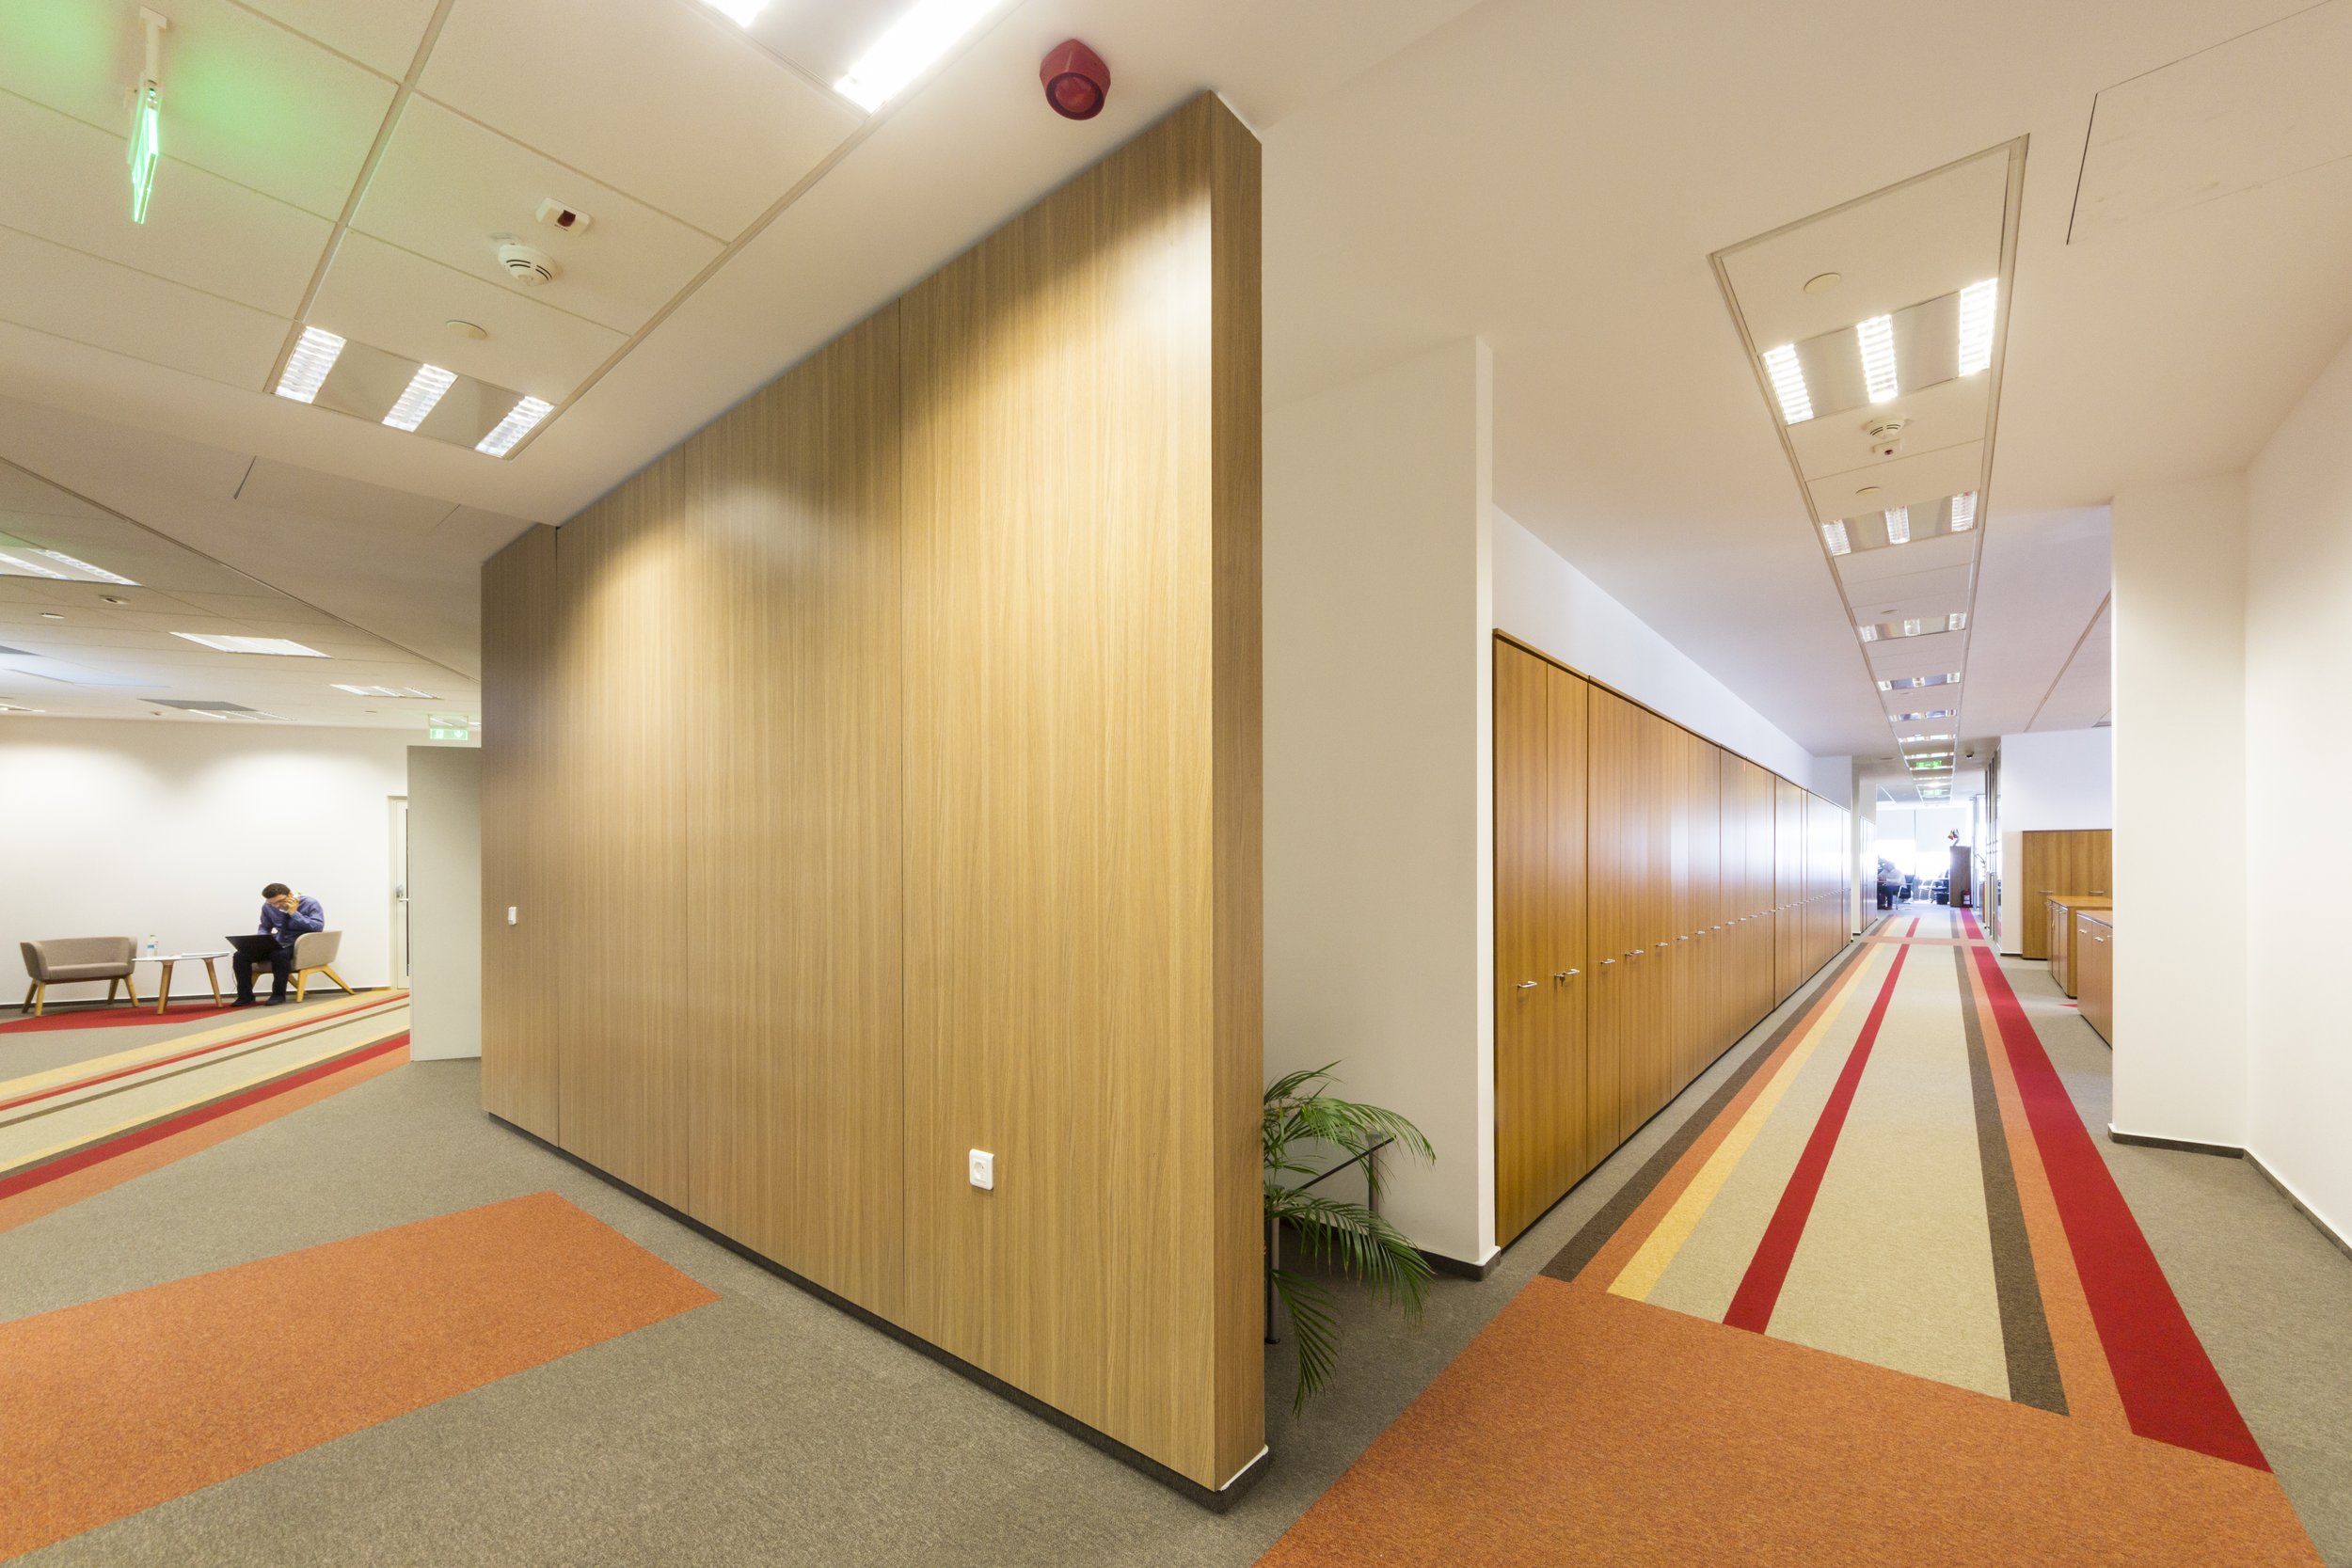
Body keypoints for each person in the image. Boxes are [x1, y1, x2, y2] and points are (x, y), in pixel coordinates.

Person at [236, 881, 325, 1006]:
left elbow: (317, 927)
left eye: (280, 901)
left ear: (290, 894)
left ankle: (278, 994)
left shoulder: (310, 903)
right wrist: (261, 940)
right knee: (240, 955)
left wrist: (294, 913)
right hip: (278, 942)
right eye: (272, 903)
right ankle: (245, 996)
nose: (276, 906)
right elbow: (264, 926)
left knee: (279, 954)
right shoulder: (267, 907)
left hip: (299, 944)